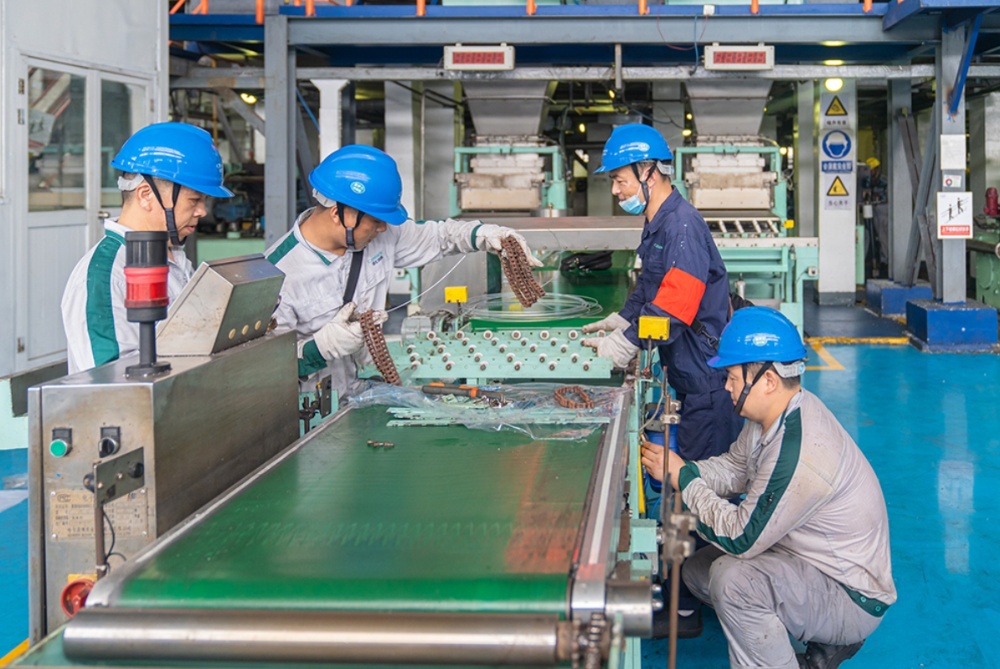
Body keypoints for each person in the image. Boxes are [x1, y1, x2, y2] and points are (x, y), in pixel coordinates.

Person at [642, 307, 896, 669]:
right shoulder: (776, 415)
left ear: (768, 380)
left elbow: (741, 538)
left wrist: (684, 480)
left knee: (733, 582)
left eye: (731, 377)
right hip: (807, 559)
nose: (726, 386)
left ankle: (827, 639)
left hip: (850, 596)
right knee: (699, 572)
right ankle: (789, 629)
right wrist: (681, 468)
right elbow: (734, 467)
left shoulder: (800, 451)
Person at [266, 144, 541, 402]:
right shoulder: (277, 274)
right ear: (340, 214)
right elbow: (264, 371)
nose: (383, 229)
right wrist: (320, 348)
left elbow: (440, 236)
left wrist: (484, 234)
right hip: (315, 412)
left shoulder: (379, 237)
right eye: (376, 220)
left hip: (368, 393)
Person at [582, 123, 743, 461]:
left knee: (705, 476)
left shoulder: (682, 227)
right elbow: (651, 285)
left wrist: (626, 343)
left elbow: (674, 307)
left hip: (706, 379)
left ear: (649, 174)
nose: (615, 190)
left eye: (620, 181)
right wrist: (623, 319)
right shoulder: (659, 221)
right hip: (688, 374)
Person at [62, 122, 231, 374]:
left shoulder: (174, 257)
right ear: (145, 195)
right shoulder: (105, 276)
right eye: (195, 200)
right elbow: (113, 381)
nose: (202, 211)